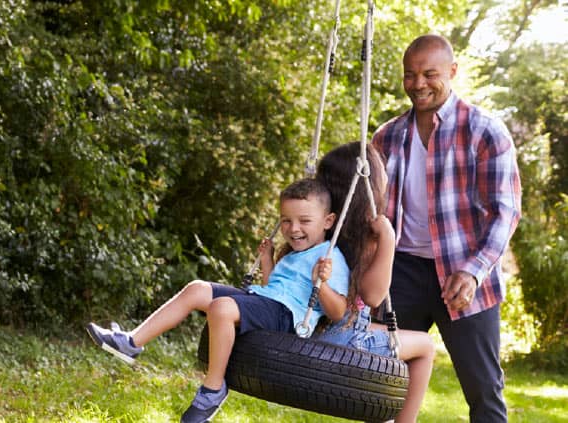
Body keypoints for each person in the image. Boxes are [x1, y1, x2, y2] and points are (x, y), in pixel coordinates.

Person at [85, 178, 350, 423]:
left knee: (221, 307)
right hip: (265, 301)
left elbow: (337, 312)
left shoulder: (330, 257)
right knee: (197, 289)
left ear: (328, 221)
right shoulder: (293, 254)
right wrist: (268, 260)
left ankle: (212, 389)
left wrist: (323, 283)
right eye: (285, 221)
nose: (293, 229)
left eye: (304, 221)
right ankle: (131, 343)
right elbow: (273, 288)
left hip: (287, 317)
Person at [371, 34, 522, 422]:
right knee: (376, 382)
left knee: (484, 392)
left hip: (464, 273)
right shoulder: (386, 136)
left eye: (429, 74)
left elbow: (504, 213)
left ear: (452, 72)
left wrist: (473, 272)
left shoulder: (486, 131)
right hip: (401, 272)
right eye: (410, 75)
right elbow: (373, 214)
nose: (418, 84)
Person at [314, 142, 435, 423]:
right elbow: (373, 296)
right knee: (425, 346)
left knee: (393, 338)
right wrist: (388, 239)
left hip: (314, 329)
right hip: (343, 337)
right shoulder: (366, 234)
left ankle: (385, 418)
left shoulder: (318, 226)